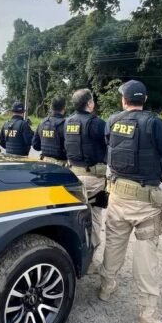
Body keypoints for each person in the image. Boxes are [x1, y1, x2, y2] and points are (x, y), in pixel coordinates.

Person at [100, 80, 162, 323]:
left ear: (124, 100)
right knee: (146, 256)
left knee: (114, 242)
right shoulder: (154, 123)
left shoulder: (112, 120)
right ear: (144, 100)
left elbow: (108, 147)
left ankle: (106, 286)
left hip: (117, 194)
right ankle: (148, 315)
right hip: (145, 201)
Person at [64, 89, 108, 274]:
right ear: (89, 103)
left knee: (76, 217)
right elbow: (111, 145)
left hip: (73, 177)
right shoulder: (97, 123)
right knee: (95, 217)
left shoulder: (67, 122)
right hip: (93, 179)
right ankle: (90, 263)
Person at [32, 97, 67, 166]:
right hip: (60, 165)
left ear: (51, 108)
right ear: (64, 108)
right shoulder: (66, 124)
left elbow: (35, 145)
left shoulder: (42, 123)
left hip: (44, 163)